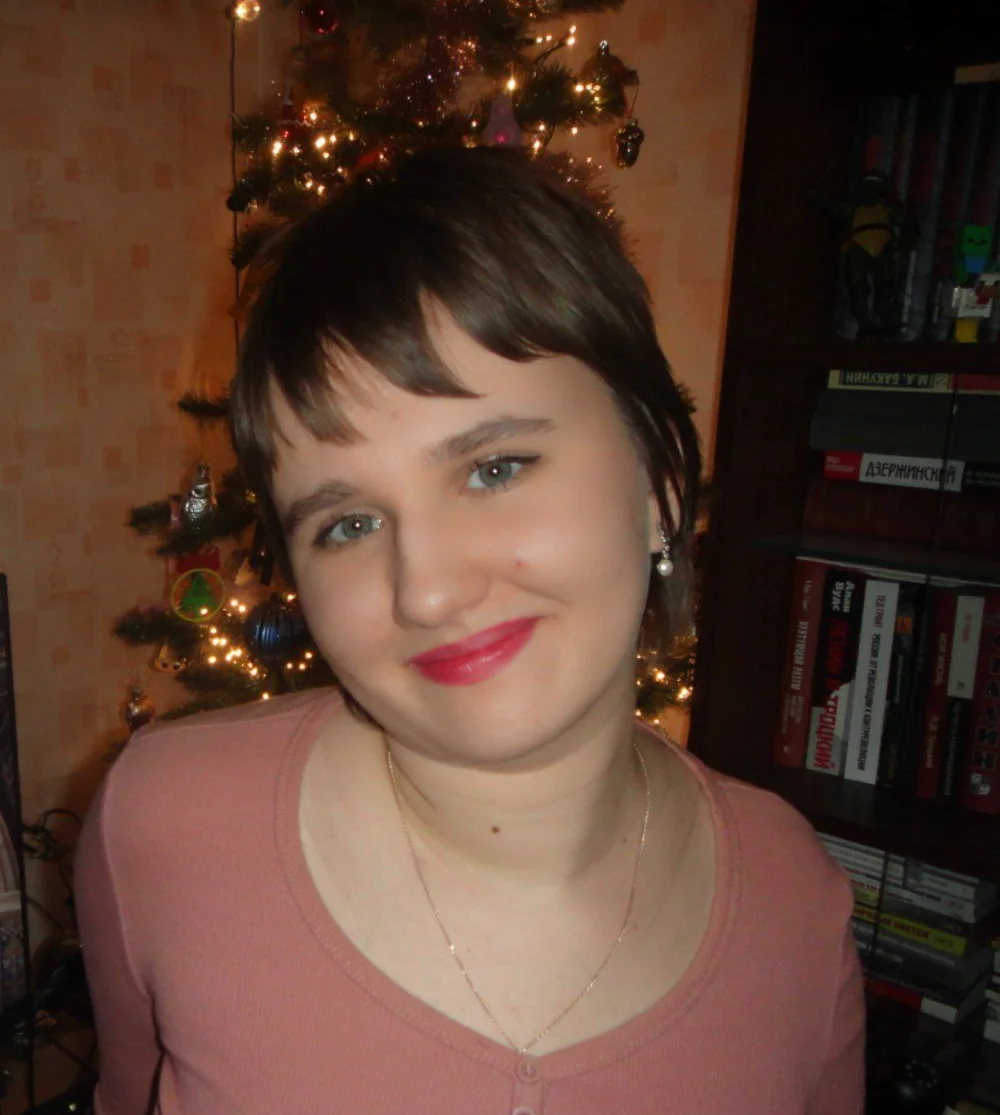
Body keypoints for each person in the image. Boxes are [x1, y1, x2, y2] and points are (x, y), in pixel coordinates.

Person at [75, 146, 865, 1114]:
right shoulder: (167, 823)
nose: (429, 591)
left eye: (495, 468)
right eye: (346, 524)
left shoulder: (795, 903)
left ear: (660, 480)